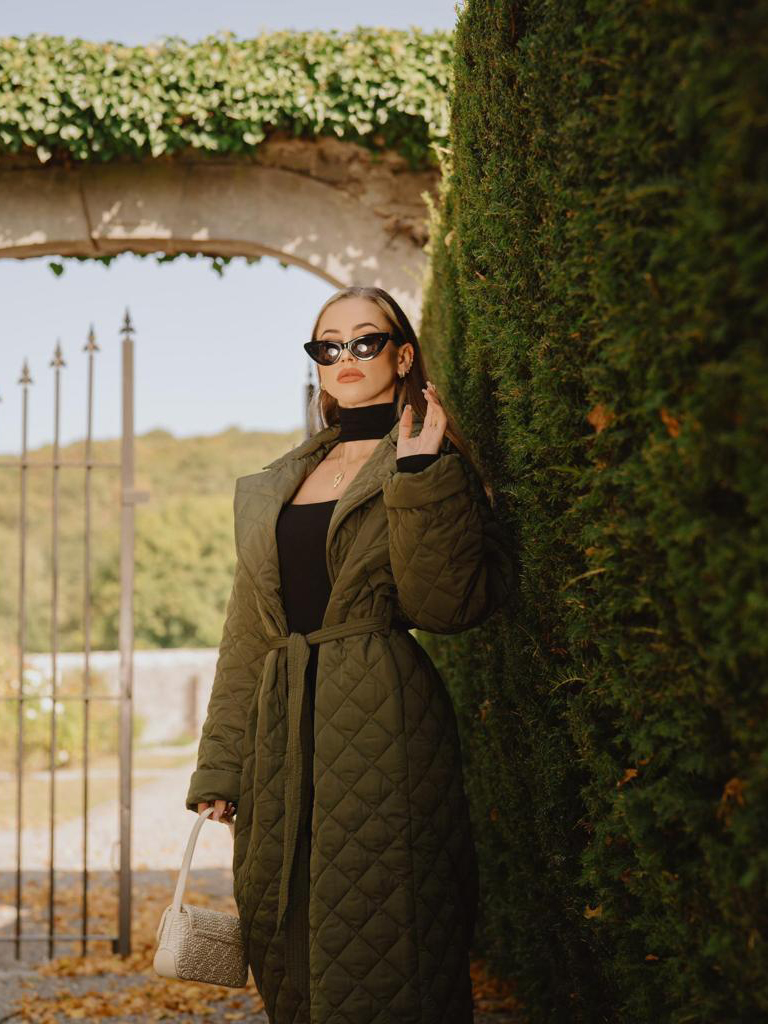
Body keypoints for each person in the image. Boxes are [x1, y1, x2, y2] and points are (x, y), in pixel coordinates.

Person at [185, 284, 513, 1024]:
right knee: (282, 927)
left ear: (402, 356)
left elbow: (447, 606)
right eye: (328, 346)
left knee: (392, 940)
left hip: (381, 721)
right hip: (280, 733)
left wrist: (422, 475)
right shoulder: (283, 478)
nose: (347, 358)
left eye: (366, 341)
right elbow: (248, 632)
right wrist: (221, 765)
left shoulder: (425, 459)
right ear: (318, 367)